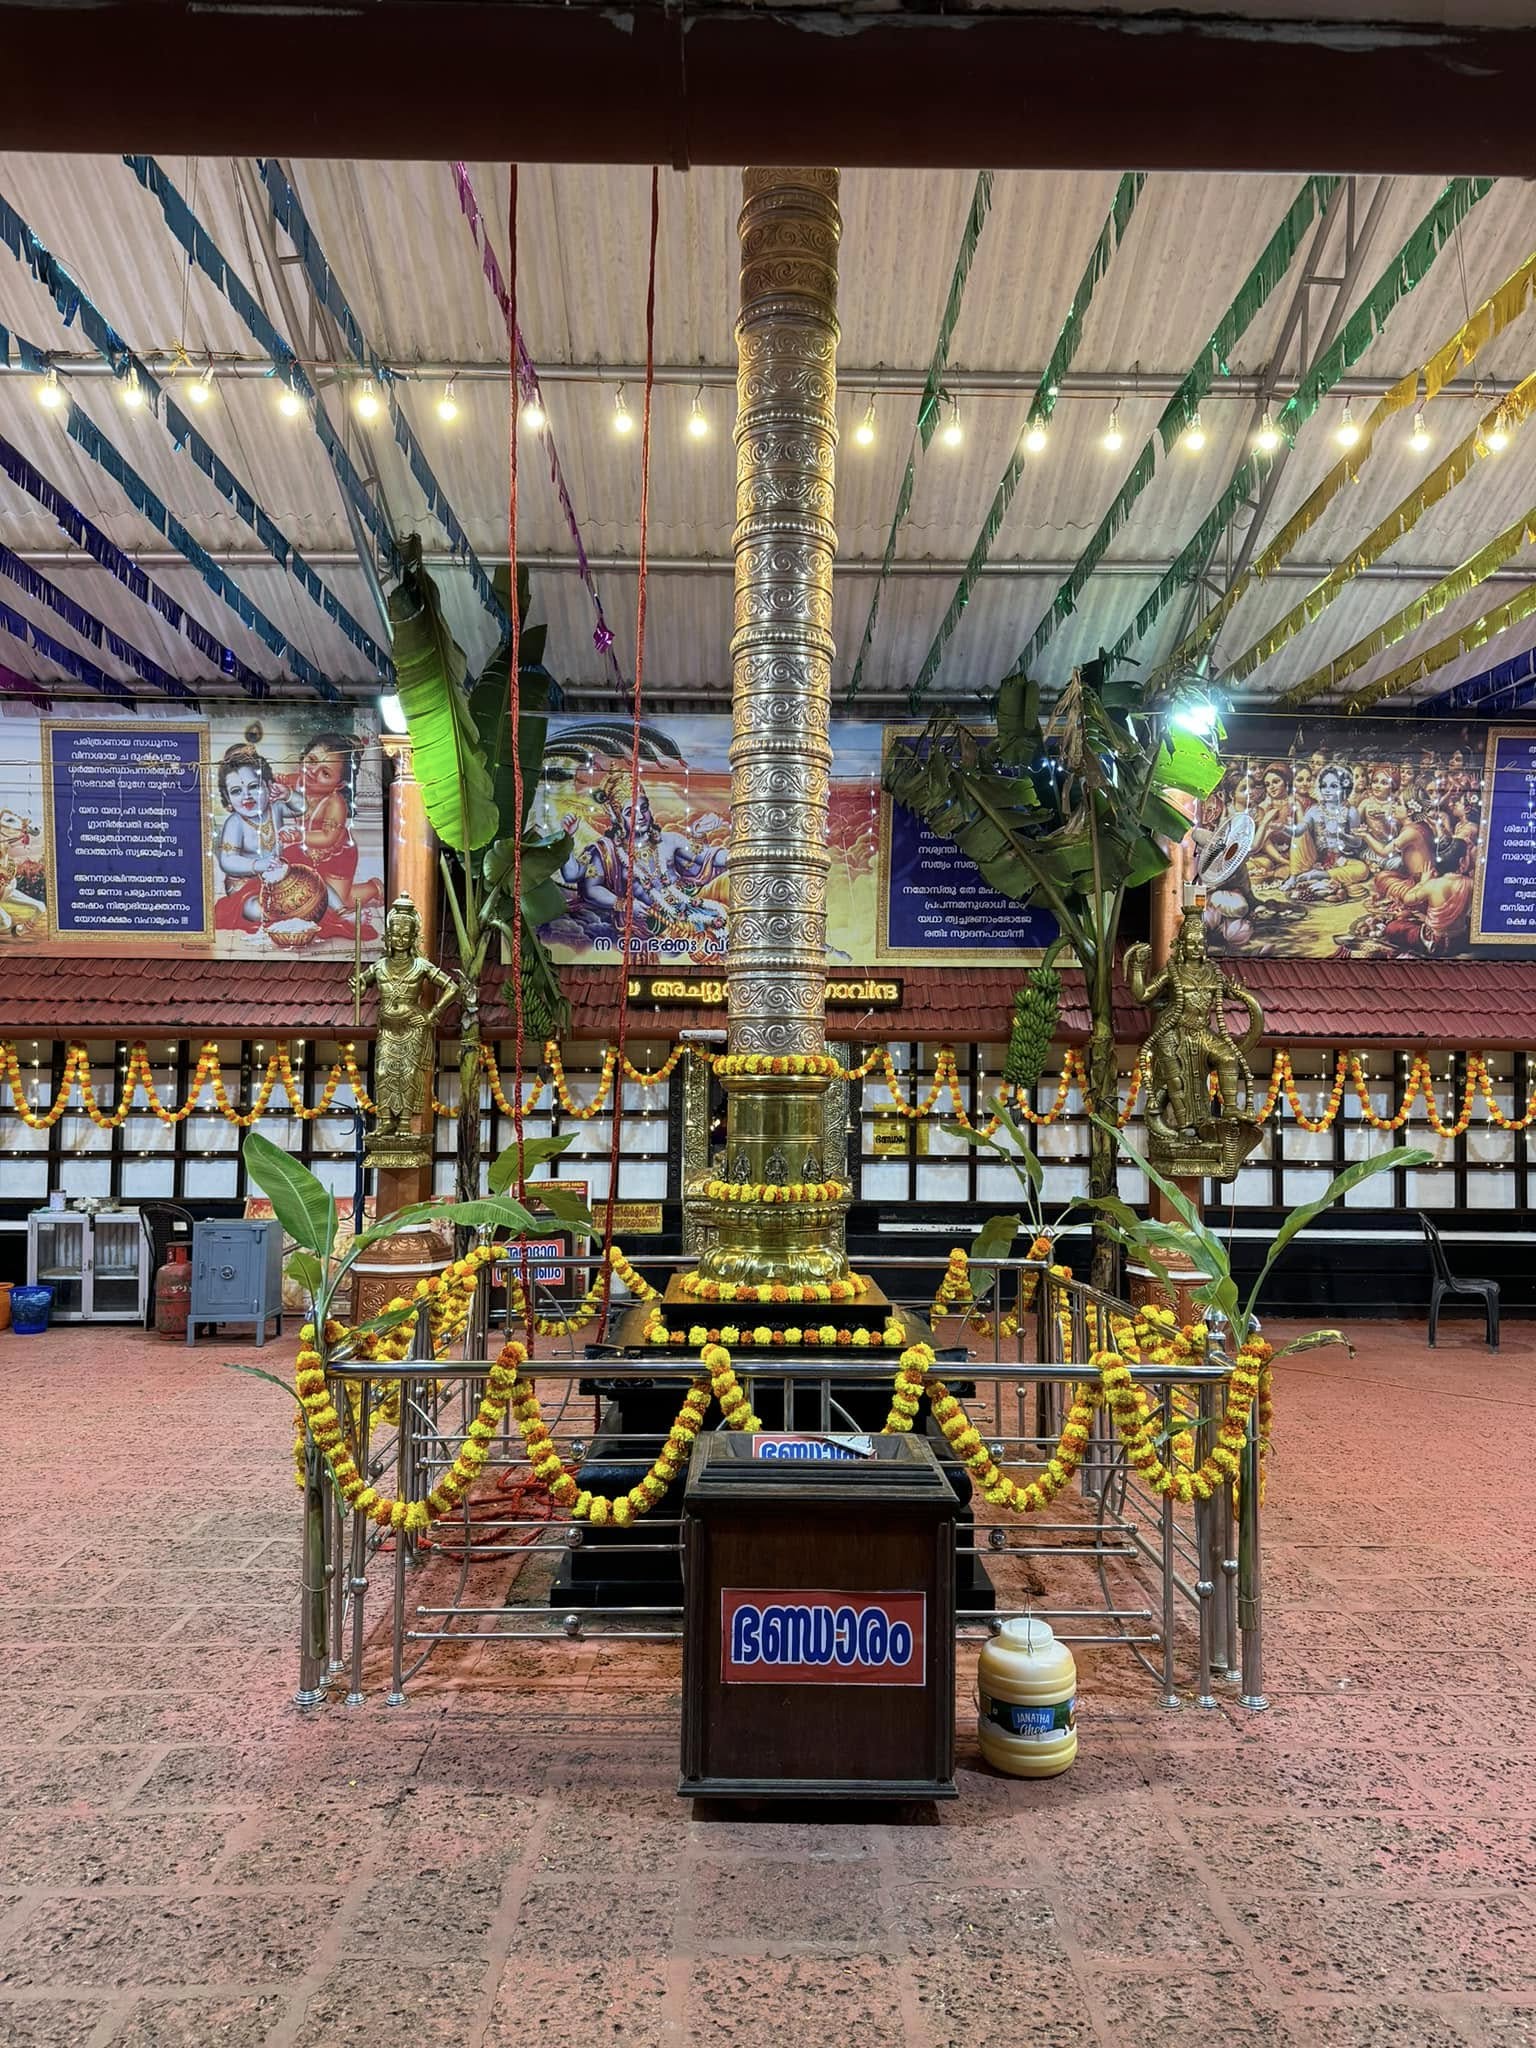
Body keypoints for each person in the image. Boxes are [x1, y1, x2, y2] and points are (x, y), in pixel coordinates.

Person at [213, 724, 306, 930]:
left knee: (313, 878)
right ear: (228, 799)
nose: (246, 796)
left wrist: (288, 794)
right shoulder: (235, 822)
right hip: (245, 885)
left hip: (279, 876)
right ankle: (283, 913)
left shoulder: (276, 808)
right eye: (236, 791)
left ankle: (342, 912)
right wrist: (257, 865)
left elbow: (302, 808)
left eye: (253, 787)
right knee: (254, 909)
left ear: (268, 785)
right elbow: (228, 861)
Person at [297, 730, 384, 915]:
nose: (313, 772)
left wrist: (298, 836)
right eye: (311, 761)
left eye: (325, 773)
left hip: (338, 855)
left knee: (336, 900)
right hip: (309, 852)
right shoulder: (299, 783)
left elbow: (328, 837)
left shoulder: (335, 803)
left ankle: (373, 888)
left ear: (340, 785)